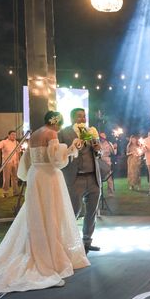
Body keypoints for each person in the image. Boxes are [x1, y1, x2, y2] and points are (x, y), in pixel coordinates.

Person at [0, 111, 89, 293]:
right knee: (50, 213)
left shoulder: (35, 133)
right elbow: (56, 161)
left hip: (35, 175)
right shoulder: (51, 133)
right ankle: (48, 255)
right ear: (56, 122)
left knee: (37, 214)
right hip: (48, 177)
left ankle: (36, 246)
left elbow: (27, 160)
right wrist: (72, 148)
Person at [58, 108, 102, 253]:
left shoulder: (91, 132)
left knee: (92, 212)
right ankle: (68, 243)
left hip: (93, 177)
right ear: (71, 119)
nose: (83, 119)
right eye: (79, 117)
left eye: (84, 116)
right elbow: (60, 155)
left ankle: (87, 242)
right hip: (75, 178)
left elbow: (97, 154)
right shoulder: (64, 133)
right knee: (73, 211)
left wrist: (98, 149)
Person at [0, 130, 20, 197]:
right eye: (12, 134)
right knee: (6, 178)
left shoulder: (17, 142)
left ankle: (15, 192)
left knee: (15, 178)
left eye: (15, 135)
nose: (14, 136)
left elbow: (18, 152)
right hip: (7, 162)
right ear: (9, 135)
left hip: (15, 162)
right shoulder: (4, 142)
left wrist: (18, 161)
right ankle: (5, 192)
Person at [99, 132, 117, 197]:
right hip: (99, 161)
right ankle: (99, 193)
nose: (102, 138)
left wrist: (115, 147)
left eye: (103, 136)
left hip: (107, 161)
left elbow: (114, 153)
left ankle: (111, 192)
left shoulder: (109, 144)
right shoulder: (98, 143)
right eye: (101, 136)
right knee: (99, 178)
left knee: (109, 178)